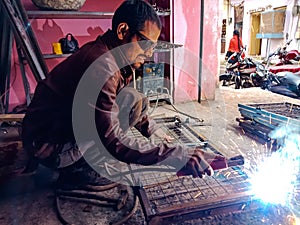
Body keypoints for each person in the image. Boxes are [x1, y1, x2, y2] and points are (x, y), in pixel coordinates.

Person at [22, 0, 223, 188]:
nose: (150, 53)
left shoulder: (110, 55)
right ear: (123, 31)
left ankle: (77, 161)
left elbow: (123, 103)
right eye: (146, 44)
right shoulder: (102, 66)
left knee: (134, 98)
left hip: (58, 129)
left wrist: (153, 131)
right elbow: (112, 139)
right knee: (111, 136)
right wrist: (177, 155)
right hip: (49, 146)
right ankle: (77, 168)